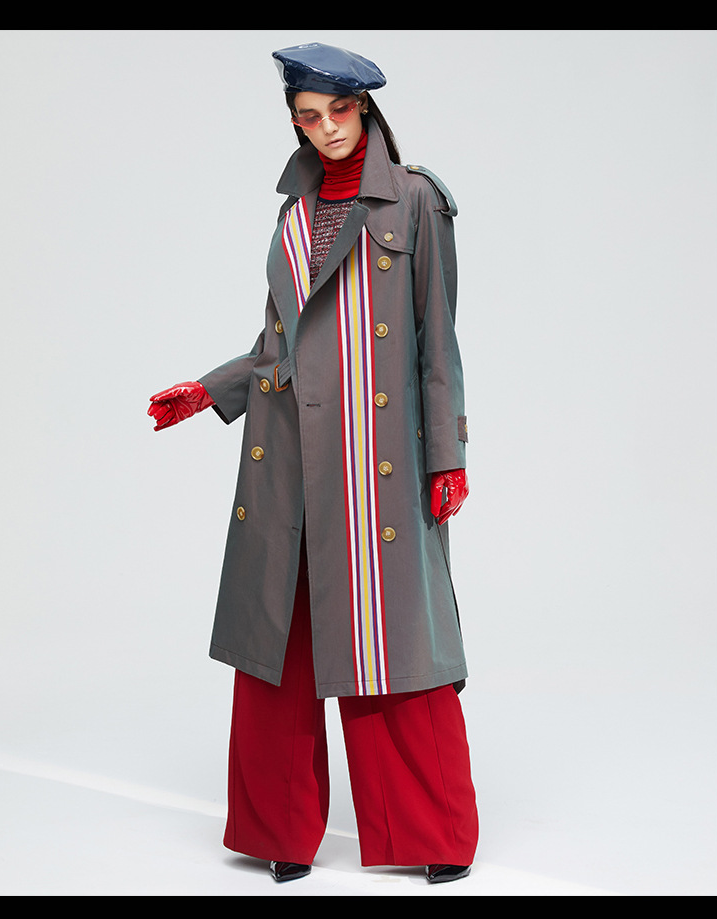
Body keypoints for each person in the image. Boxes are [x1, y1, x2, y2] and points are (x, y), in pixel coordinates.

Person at [148, 42, 478, 884]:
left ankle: (430, 834)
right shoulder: (293, 213)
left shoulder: (416, 200)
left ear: (363, 109)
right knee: (278, 642)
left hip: (376, 464)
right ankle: (279, 830)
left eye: (338, 111)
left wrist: (447, 452)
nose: (326, 129)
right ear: (294, 120)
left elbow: (437, 342)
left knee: (391, 642)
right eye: (308, 116)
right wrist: (211, 388)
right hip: (288, 452)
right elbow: (278, 345)